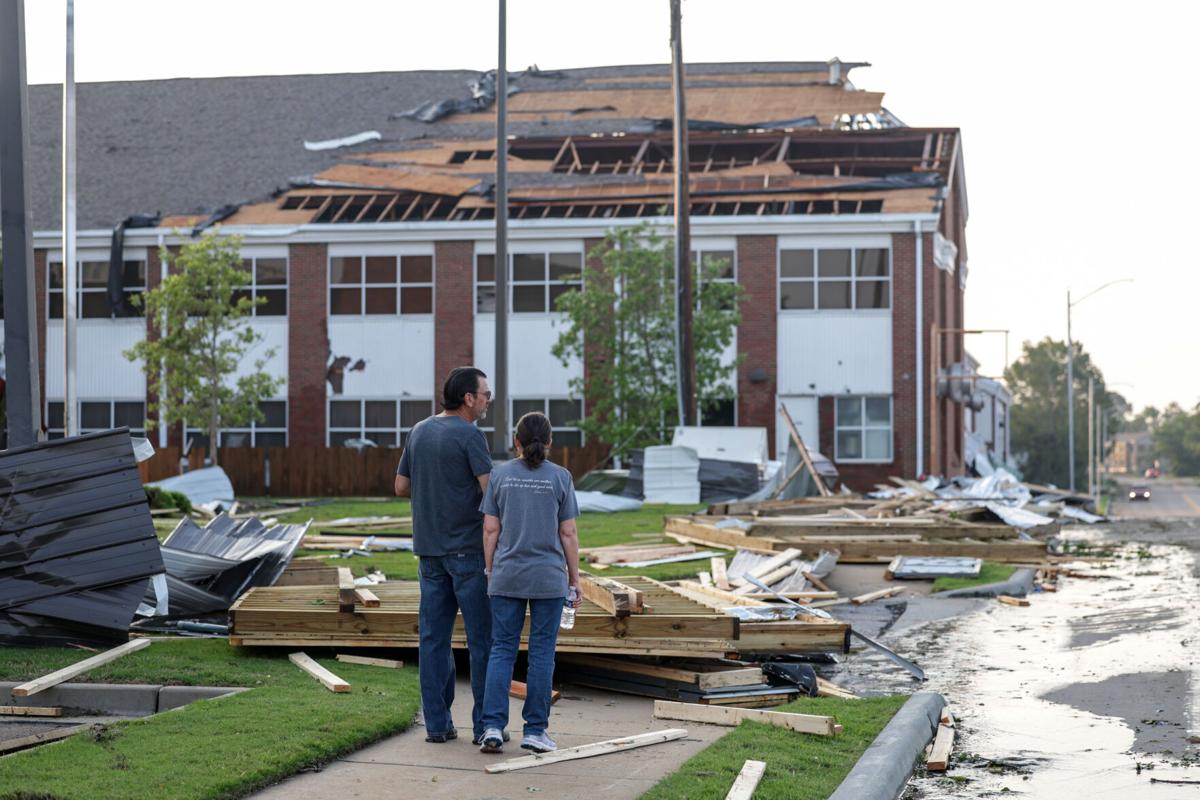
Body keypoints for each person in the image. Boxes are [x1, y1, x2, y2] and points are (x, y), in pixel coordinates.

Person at [394, 366, 495, 745]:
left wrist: (434, 488)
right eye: (486, 394)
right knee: (481, 641)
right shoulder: (470, 435)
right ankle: (486, 726)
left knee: (434, 640)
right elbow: (491, 495)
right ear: (468, 398)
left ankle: (438, 726)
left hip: (429, 553)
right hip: (468, 553)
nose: (487, 401)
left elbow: (400, 485)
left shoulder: (418, 431)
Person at [477, 411, 581, 755]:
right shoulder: (561, 477)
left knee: (501, 650)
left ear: (516, 441)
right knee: (541, 654)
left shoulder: (500, 476)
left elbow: (491, 529)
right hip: (548, 579)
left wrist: (491, 569)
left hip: (507, 575)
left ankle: (491, 726)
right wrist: (575, 580)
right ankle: (535, 730)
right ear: (550, 442)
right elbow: (568, 533)